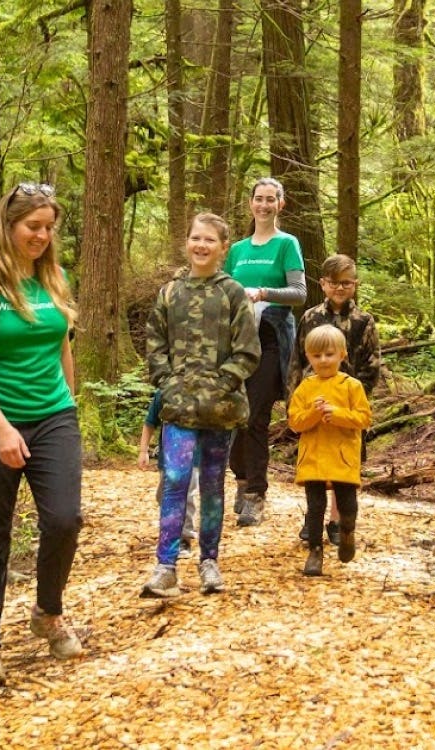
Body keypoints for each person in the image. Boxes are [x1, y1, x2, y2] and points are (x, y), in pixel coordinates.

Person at [0, 182, 83, 688]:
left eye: (49, 228)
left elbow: (61, 346)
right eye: (33, 227)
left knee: (66, 519)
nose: (42, 236)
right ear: (8, 227)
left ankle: (48, 612)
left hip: (53, 415)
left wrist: (69, 403)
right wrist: (2, 429)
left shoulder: (55, 280)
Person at [141, 213, 261, 597]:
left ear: (223, 247)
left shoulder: (232, 293)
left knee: (212, 484)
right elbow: (154, 343)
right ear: (187, 242)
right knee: (175, 480)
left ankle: (209, 560)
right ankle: (166, 566)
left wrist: (223, 383)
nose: (201, 246)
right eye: (195, 238)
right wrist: (168, 382)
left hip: (220, 409)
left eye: (210, 240)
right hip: (178, 408)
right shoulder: (169, 293)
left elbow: (247, 350)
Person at [224, 177, 307, 527]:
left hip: (272, 336)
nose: (264, 205)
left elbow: (299, 293)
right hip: (237, 339)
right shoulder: (237, 250)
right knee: (234, 415)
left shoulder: (287, 244)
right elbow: (223, 289)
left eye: (271, 199)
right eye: (259, 199)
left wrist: (263, 293)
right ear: (250, 203)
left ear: (280, 205)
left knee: (256, 415)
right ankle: (241, 482)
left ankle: (257, 493)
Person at [288, 254, 381, 545]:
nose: (339, 288)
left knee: (345, 465)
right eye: (333, 283)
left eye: (346, 283)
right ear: (323, 284)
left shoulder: (364, 321)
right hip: (313, 403)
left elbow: (372, 364)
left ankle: (338, 522)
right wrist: (293, 394)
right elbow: (296, 359)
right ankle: (313, 519)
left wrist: (356, 398)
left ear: (354, 284)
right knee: (314, 462)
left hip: (347, 405)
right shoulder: (311, 317)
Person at [287, 325, 372, 576]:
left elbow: (363, 418)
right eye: (316, 355)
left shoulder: (351, 386)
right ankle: (315, 551)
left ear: (342, 355)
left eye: (329, 354)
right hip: (312, 456)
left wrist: (337, 414)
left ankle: (347, 532)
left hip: (342, 456)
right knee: (314, 507)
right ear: (308, 356)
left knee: (347, 505)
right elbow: (295, 422)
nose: (323, 360)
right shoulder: (304, 387)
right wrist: (314, 413)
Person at [138, 390, 199, 558]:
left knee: (187, 495)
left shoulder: (203, 389)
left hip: (194, 456)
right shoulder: (164, 392)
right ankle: (170, 528)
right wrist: (144, 451)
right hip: (169, 457)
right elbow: (150, 423)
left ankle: (184, 538)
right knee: (163, 496)